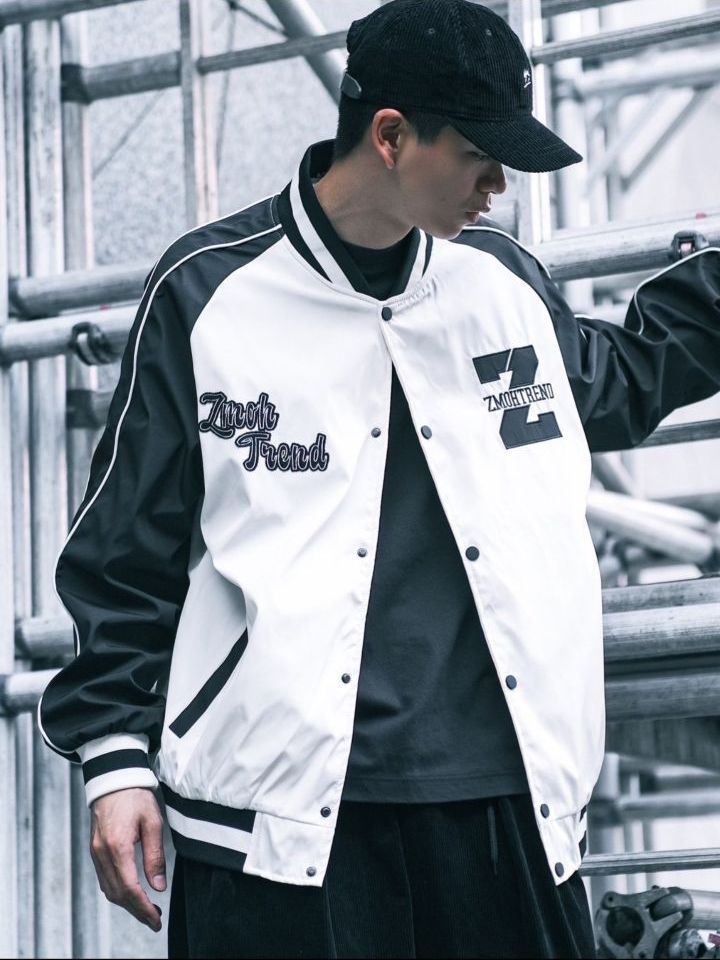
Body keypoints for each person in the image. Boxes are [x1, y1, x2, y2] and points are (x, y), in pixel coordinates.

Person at [37, 1, 720, 957]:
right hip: (277, 825)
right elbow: (124, 552)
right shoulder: (208, 292)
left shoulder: (500, 285)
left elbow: (619, 378)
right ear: (391, 137)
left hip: (509, 811)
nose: (501, 185)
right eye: (481, 155)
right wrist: (114, 760)